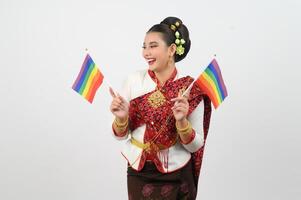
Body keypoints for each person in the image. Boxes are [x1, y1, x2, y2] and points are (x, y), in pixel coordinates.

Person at [109, 16, 212, 200]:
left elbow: (196, 145)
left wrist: (181, 120)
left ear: (172, 49)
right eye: (144, 46)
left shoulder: (190, 89)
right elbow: (120, 136)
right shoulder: (134, 81)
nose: (146, 53)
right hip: (138, 172)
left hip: (177, 172)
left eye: (153, 46)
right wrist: (121, 118)